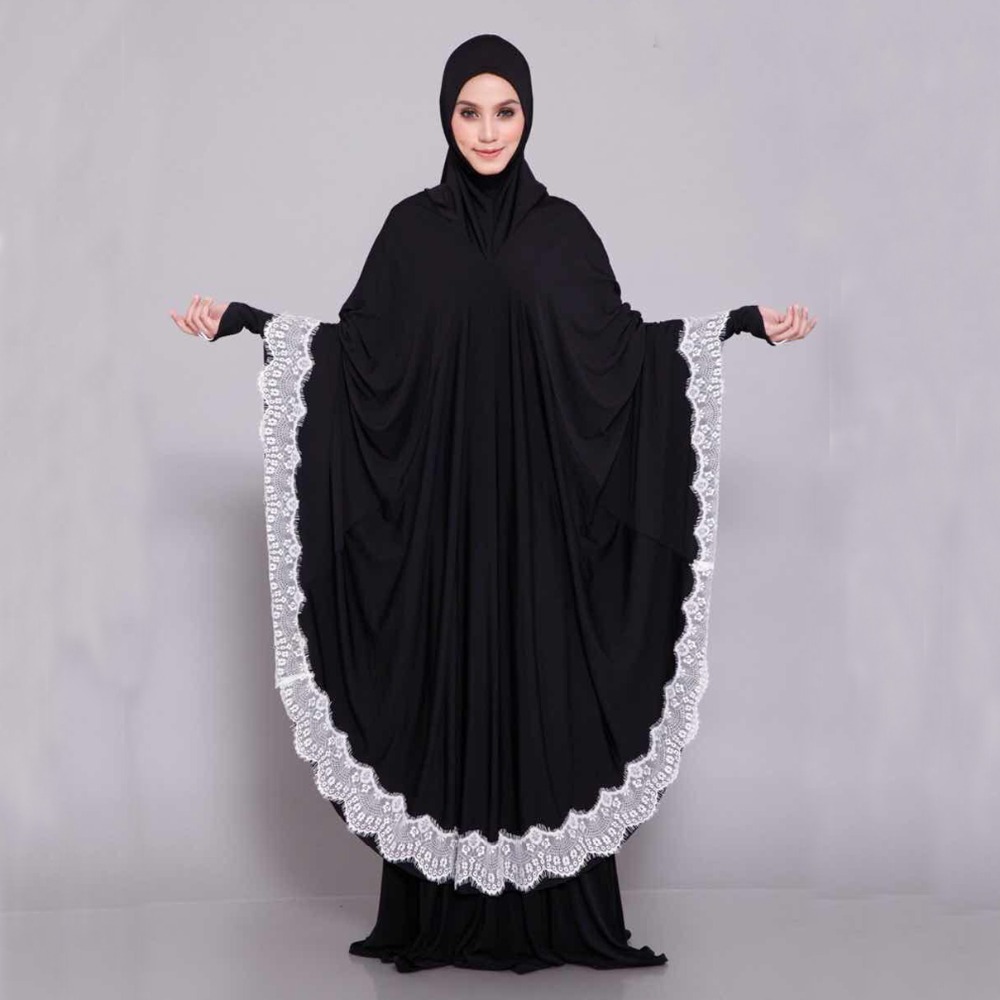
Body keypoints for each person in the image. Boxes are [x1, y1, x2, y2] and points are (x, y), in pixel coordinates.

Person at [170, 33, 816, 975]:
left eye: (504, 111)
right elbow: (358, 360)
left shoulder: (563, 233)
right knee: (442, 679)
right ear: (446, 117)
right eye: (469, 112)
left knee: (550, 684)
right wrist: (250, 324)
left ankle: (563, 917)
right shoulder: (410, 234)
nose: (486, 131)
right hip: (441, 535)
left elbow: (620, 359)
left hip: (546, 536)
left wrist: (735, 329)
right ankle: (436, 917)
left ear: (528, 117)